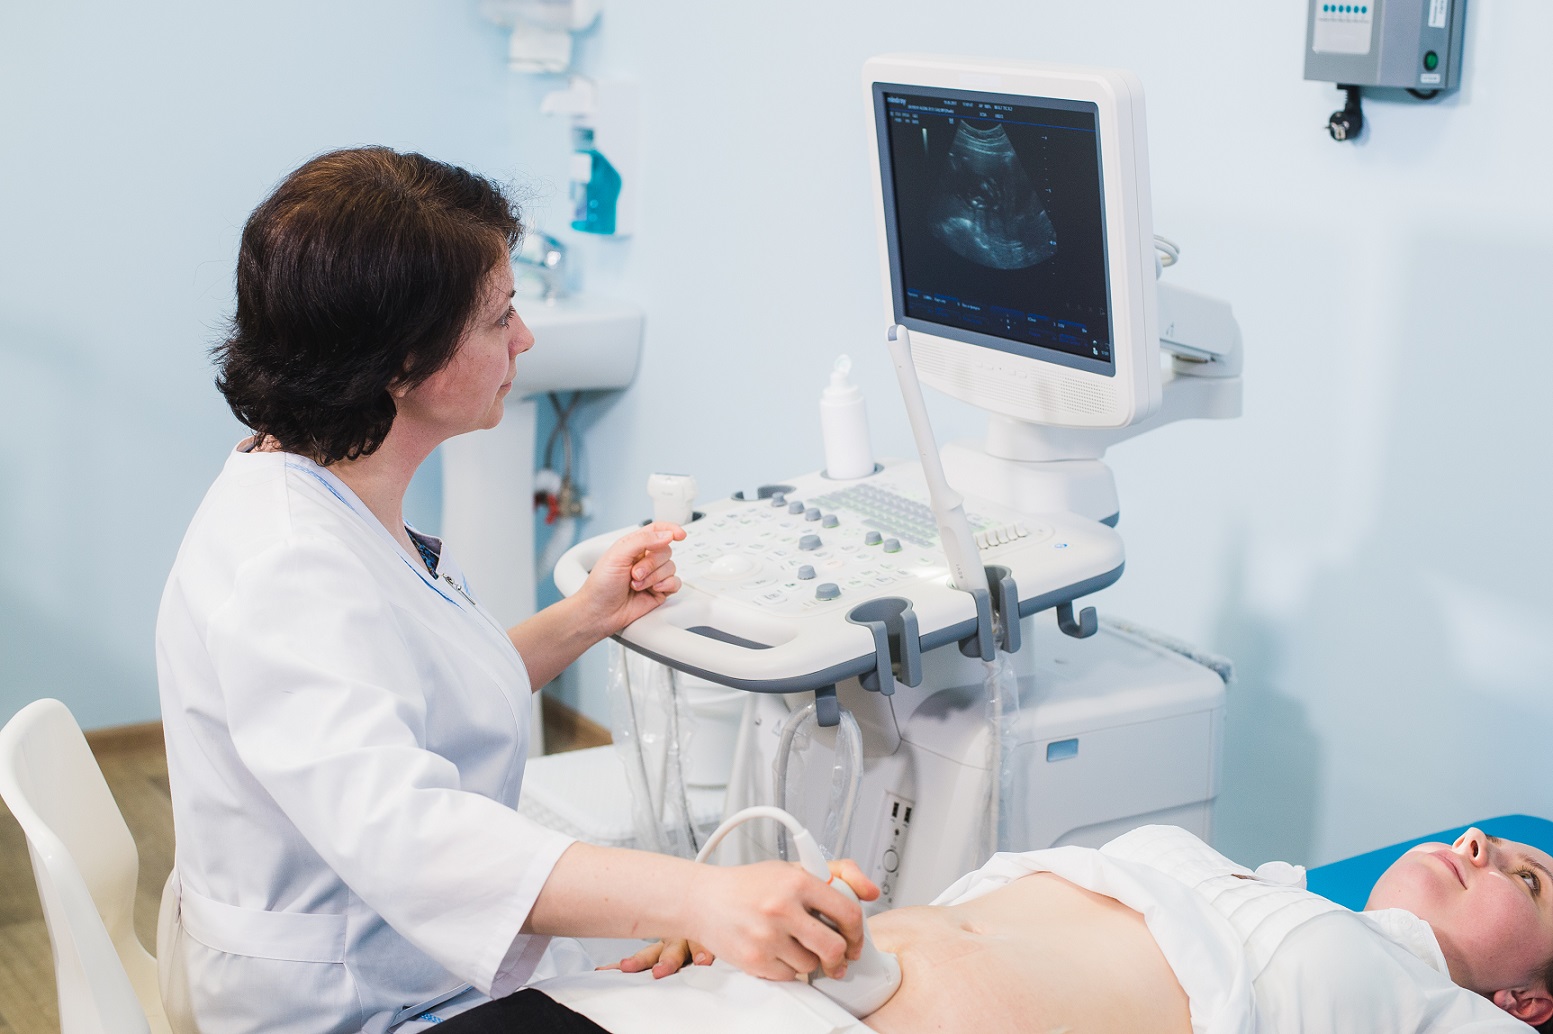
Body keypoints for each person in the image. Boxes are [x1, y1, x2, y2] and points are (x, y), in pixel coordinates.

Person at [153, 146, 869, 1034]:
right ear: (401, 363)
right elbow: (409, 837)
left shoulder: (323, 486)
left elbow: (412, 693)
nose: (523, 340)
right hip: (349, 1004)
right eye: (499, 319)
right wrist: (696, 899)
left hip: (398, 956)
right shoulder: (292, 567)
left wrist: (586, 618)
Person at [486, 824, 1553, 1034]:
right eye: (1491, 840)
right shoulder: (1243, 871)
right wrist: (745, 916)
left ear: (1525, 1000)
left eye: (1527, 878)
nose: (1478, 842)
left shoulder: (1416, 1004)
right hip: (693, 1001)